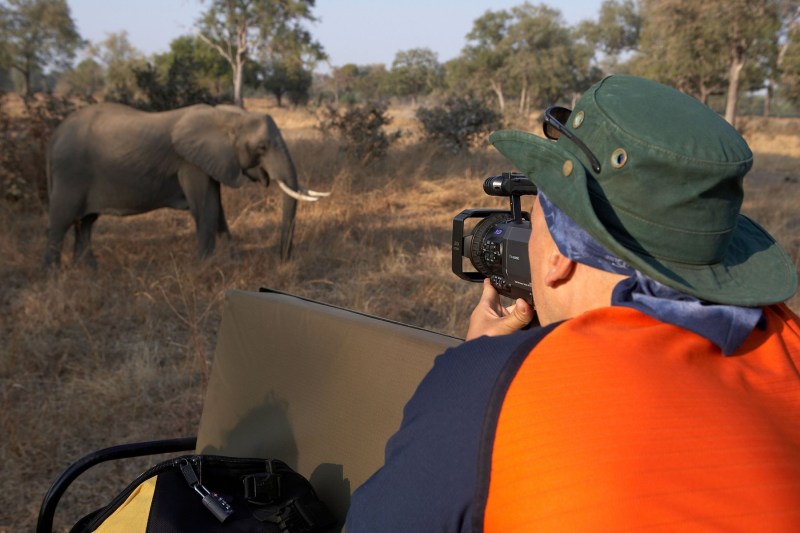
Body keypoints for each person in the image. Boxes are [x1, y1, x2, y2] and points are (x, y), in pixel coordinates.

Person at [344, 75, 800, 532]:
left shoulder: (492, 389)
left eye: (538, 207)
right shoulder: (788, 343)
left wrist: (482, 369)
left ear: (559, 259)